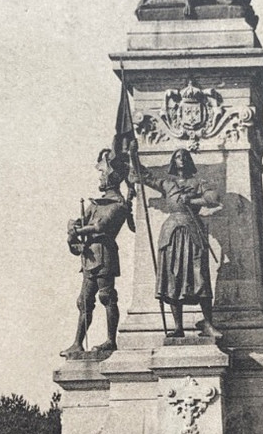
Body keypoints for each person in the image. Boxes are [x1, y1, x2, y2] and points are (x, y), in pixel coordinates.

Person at [132, 146, 221, 339]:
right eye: (178, 156)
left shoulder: (198, 182)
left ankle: (208, 323)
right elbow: (144, 176)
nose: (182, 159)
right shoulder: (167, 184)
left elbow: (214, 198)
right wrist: (132, 155)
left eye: (185, 156)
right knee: (173, 277)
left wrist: (192, 200)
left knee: (200, 277)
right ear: (173, 162)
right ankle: (178, 326)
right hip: (171, 233)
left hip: (193, 231)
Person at [60, 148, 132, 358]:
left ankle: (111, 340)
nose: (100, 176)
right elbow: (79, 223)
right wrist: (72, 232)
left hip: (105, 253)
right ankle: (77, 343)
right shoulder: (94, 204)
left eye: (103, 173)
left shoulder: (118, 204)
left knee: (107, 296)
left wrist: (78, 229)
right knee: (84, 301)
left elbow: (101, 226)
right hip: (90, 255)